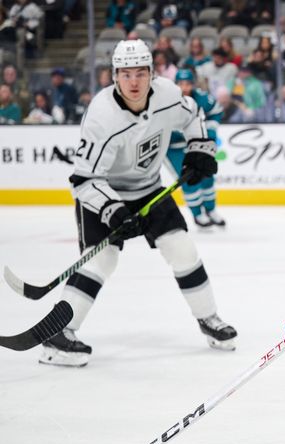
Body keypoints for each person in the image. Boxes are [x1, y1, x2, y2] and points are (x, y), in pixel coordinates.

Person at [40, 40, 237, 367]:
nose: (134, 82)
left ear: (152, 74)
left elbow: (193, 115)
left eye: (141, 73)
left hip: (149, 189)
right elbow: (84, 181)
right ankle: (58, 336)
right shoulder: (101, 116)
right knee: (102, 261)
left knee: (182, 248)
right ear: (115, 76)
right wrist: (113, 210)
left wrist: (200, 147)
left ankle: (209, 319)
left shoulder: (168, 94)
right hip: (104, 193)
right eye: (126, 74)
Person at [165, 68, 226, 229]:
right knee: (188, 179)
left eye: (188, 84)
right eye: (181, 84)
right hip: (173, 148)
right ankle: (197, 214)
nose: (184, 87)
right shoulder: (167, 101)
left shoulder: (202, 98)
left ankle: (211, 210)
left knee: (206, 174)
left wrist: (210, 132)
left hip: (195, 143)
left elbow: (216, 111)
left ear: (193, 84)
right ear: (175, 84)